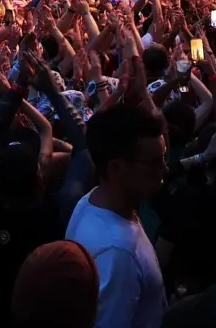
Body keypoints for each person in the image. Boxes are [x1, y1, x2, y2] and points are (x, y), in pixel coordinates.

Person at [67, 103, 168, 328]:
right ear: (116, 168)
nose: (165, 169)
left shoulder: (91, 201)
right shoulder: (118, 253)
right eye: (154, 162)